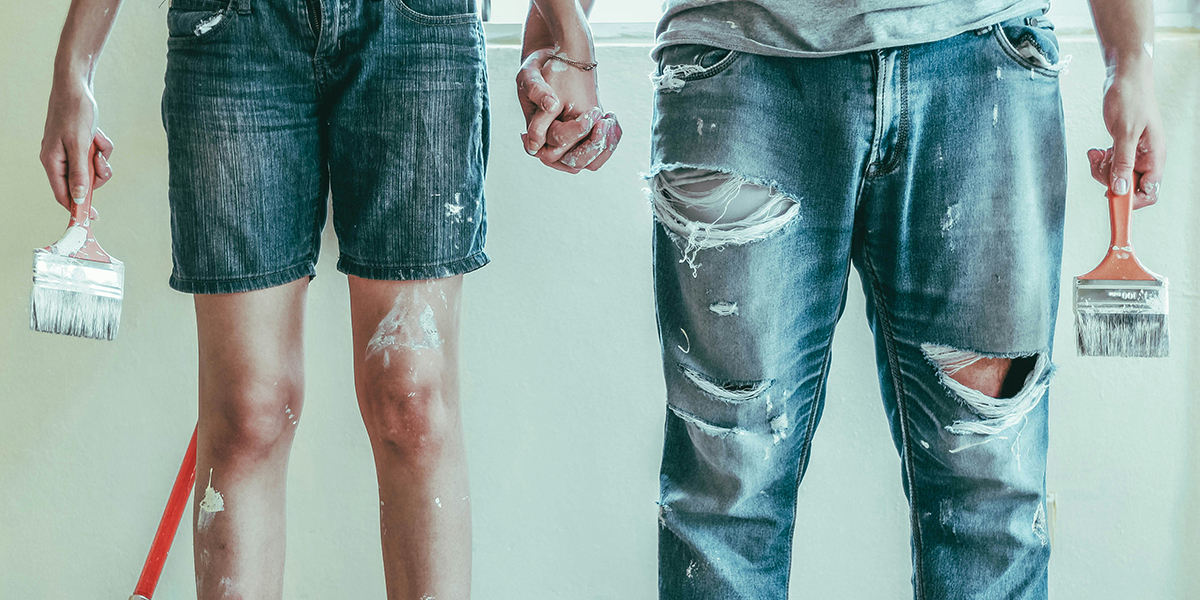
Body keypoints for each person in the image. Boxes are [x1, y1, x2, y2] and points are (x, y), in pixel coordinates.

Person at [517, 0, 1163, 598]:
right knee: (726, 500)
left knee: (992, 502)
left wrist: (1130, 56)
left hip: (981, 53)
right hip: (739, 59)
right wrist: (558, 34)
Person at [42, 0, 489, 598]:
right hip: (233, 30)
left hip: (418, 26)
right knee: (248, 413)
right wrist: (75, 69)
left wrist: (566, 29)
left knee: (413, 402)